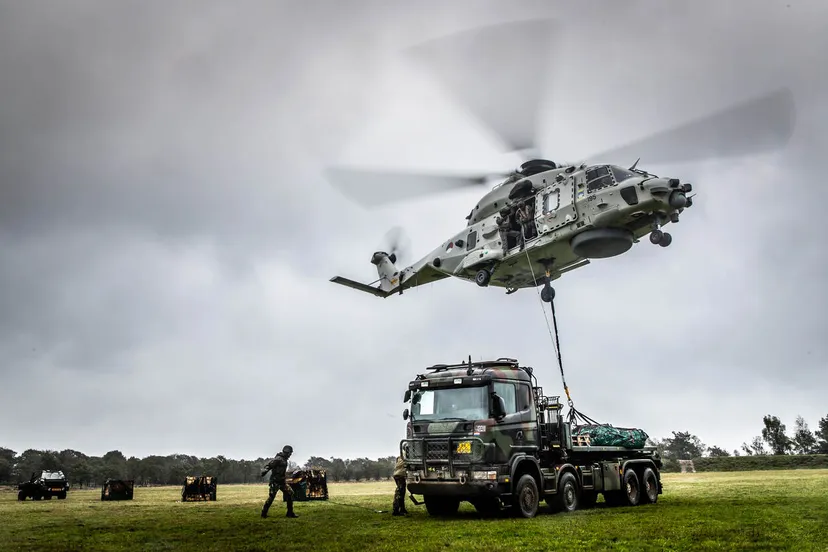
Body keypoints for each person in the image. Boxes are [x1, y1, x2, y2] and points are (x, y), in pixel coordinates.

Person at [260, 445, 298, 518]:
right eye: (290, 453)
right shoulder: (278, 459)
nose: (290, 455)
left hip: (282, 481)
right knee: (271, 497)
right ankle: (263, 513)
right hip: (275, 481)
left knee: (290, 493)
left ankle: (290, 513)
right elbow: (269, 465)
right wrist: (265, 471)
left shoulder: (284, 459)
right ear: (286, 452)